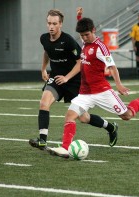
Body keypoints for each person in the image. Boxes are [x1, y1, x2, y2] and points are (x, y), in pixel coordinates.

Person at [47, 17, 139, 158]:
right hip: (85, 93)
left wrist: (119, 85)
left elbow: (112, 67)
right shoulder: (85, 42)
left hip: (102, 91)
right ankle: (65, 148)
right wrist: (79, 18)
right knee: (72, 117)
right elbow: (83, 31)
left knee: (127, 115)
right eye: (82, 35)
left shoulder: (101, 47)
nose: (84, 38)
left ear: (94, 31)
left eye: (87, 35)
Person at [29, 9, 118, 150]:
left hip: (75, 81)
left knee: (84, 118)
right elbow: (47, 51)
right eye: (49, 23)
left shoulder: (68, 40)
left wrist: (67, 77)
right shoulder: (44, 38)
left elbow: (80, 62)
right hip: (56, 78)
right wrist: (43, 68)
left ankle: (111, 127)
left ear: (60, 24)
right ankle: (42, 140)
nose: (51, 26)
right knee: (44, 103)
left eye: (54, 23)